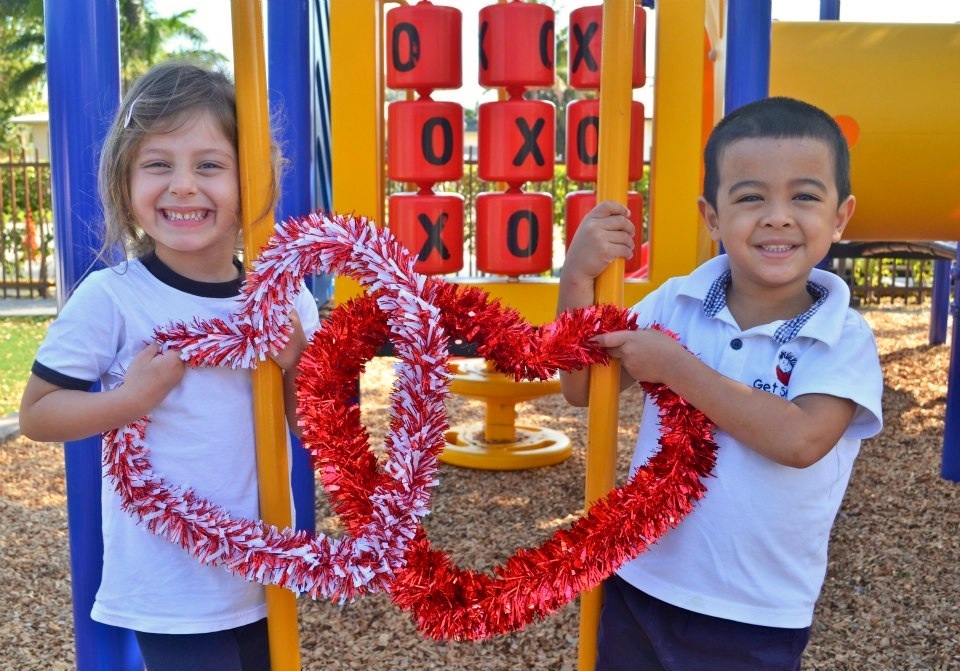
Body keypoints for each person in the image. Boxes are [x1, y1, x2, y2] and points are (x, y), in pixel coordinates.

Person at [558, 96, 883, 670]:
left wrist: (678, 368)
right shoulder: (677, 303)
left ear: (840, 215)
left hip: (753, 611)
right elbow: (584, 388)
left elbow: (801, 440)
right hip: (641, 578)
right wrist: (577, 278)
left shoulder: (842, 336)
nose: (778, 216)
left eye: (804, 196)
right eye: (750, 196)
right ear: (712, 217)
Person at [19, 61, 320, 671]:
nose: (183, 185)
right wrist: (130, 400)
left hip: (261, 569)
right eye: (158, 165)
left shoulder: (285, 297)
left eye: (209, 165)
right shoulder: (114, 297)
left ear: (251, 183)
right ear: (126, 185)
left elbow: (313, 427)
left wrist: (294, 366)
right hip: (170, 583)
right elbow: (38, 414)